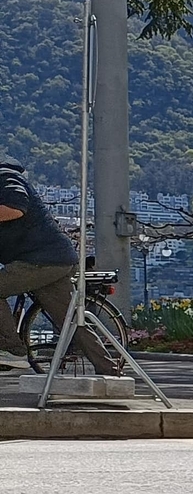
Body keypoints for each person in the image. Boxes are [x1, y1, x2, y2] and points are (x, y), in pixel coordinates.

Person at [0, 158, 121, 373]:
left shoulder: (5, 176)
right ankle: (109, 369)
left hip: (39, 260)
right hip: (54, 259)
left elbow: (17, 207)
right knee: (71, 321)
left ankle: (12, 350)